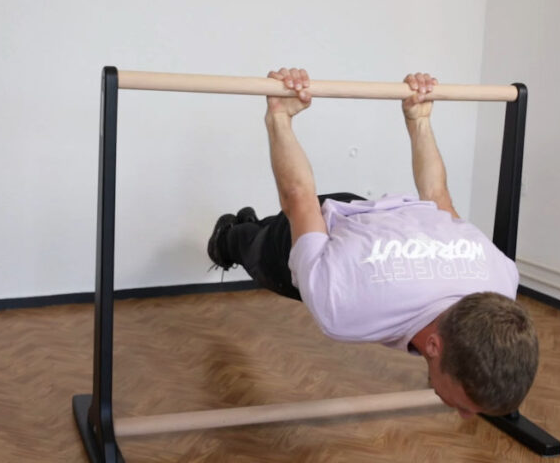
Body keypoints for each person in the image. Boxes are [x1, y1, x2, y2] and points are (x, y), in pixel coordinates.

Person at [207, 67, 539, 418]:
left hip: (360, 229)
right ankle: (228, 235)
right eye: (467, 407)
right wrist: (279, 115)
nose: (467, 416)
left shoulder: (501, 281)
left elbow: (438, 198)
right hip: (326, 239)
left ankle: (248, 224)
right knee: (248, 246)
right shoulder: (344, 303)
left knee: (277, 231)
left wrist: (419, 119)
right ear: (434, 345)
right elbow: (299, 200)